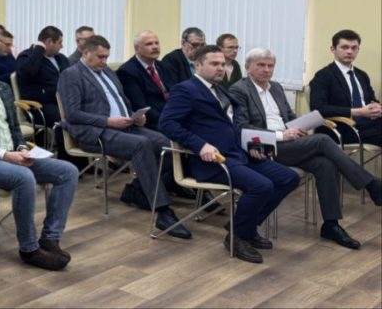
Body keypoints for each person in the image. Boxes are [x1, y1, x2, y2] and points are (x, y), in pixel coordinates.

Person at [160, 45, 300, 264]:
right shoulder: (185, 90)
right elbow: (167, 123)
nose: (220, 68)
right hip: (213, 160)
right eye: (214, 64)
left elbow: (234, 125)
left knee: (289, 178)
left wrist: (252, 144)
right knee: (261, 186)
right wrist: (200, 145)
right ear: (198, 65)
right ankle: (238, 237)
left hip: (240, 153)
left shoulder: (220, 90)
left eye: (223, 64)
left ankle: (243, 226)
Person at [232, 48, 382, 249]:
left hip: (289, 142)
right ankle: (371, 185)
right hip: (264, 146)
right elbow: (241, 128)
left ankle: (331, 225)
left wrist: (299, 126)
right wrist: (282, 135)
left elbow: (289, 117)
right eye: (261, 65)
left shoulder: (276, 87)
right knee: (322, 140)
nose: (266, 70)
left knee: (325, 164)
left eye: (270, 66)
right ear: (247, 67)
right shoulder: (239, 90)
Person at [0, 44, 79, 270]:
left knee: (68, 171)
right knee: (24, 178)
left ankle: (50, 237)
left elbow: (14, 128)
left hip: (15, 154)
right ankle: (29, 248)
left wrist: (21, 148)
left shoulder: (4, 89)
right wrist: (6, 155)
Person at [58, 35, 191, 239]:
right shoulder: (71, 75)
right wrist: (108, 121)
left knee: (167, 144)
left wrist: (135, 117)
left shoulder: (108, 72)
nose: (104, 61)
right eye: (100, 57)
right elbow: (73, 114)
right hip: (96, 132)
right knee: (142, 144)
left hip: (125, 126)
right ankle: (162, 211)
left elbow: (121, 100)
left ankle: (138, 190)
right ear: (85, 53)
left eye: (106, 57)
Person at [309, 29, 381, 146]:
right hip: (342, 128)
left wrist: (377, 107)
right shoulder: (323, 75)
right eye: (344, 47)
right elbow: (318, 108)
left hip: (368, 126)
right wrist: (358, 112)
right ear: (333, 49)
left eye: (354, 48)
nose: (349, 51)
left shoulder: (362, 75)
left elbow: (372, 100)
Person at [116, 30, 172, 130]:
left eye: (156, 43)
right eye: (149, 44)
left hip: (172, 114)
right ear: (137, 48)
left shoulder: (163, 66)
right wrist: (169, 119)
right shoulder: (127, 72)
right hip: (154, 121)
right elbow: (140, 107)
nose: (155, 47)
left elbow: (174, 92)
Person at [14, 26, 70, 124]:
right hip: (41, 106)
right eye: (59, 43)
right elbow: (28, 73)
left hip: (64, 102)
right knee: (66, 121)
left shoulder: (61, 58)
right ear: (49, 42)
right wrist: (39, 49)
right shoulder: (26, 57)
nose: (62, 46)